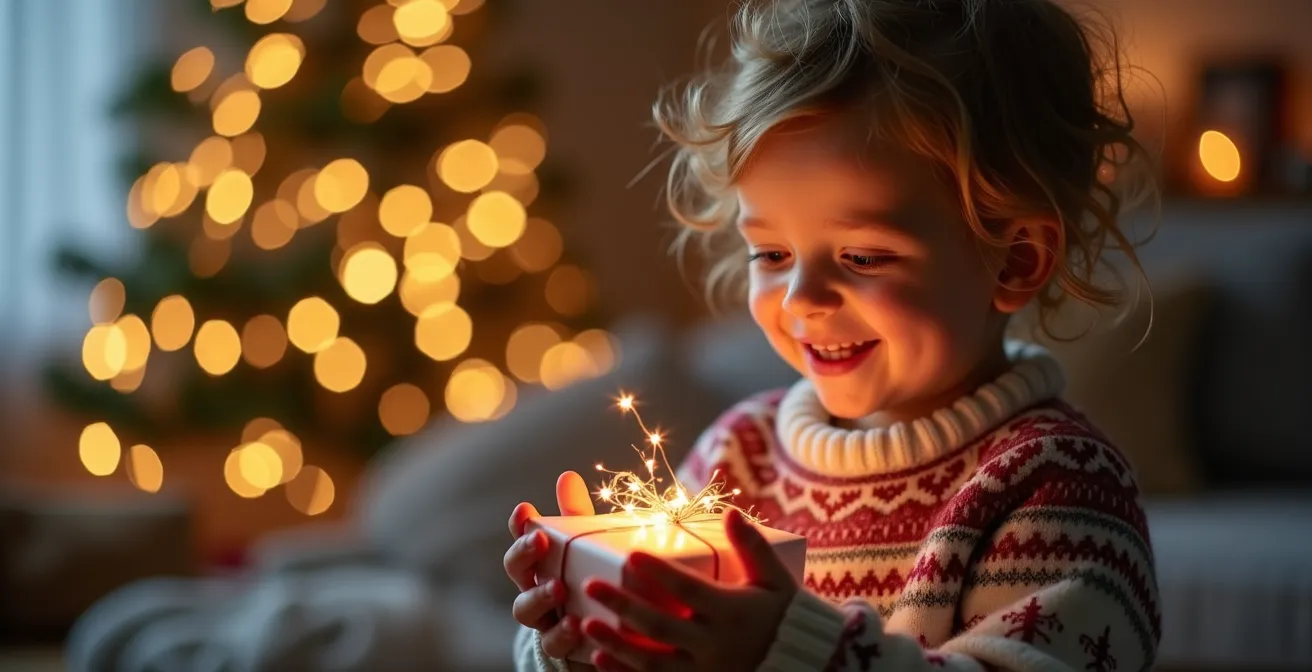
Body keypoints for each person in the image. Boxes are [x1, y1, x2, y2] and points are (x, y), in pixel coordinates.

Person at [506, 0, 1161, 669]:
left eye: (863, 257)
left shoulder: (1057, 487)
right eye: (772, 254)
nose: (802, 299)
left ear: (1016, 259)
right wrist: (586, 631)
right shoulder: (739, 456)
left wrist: (786, 649)